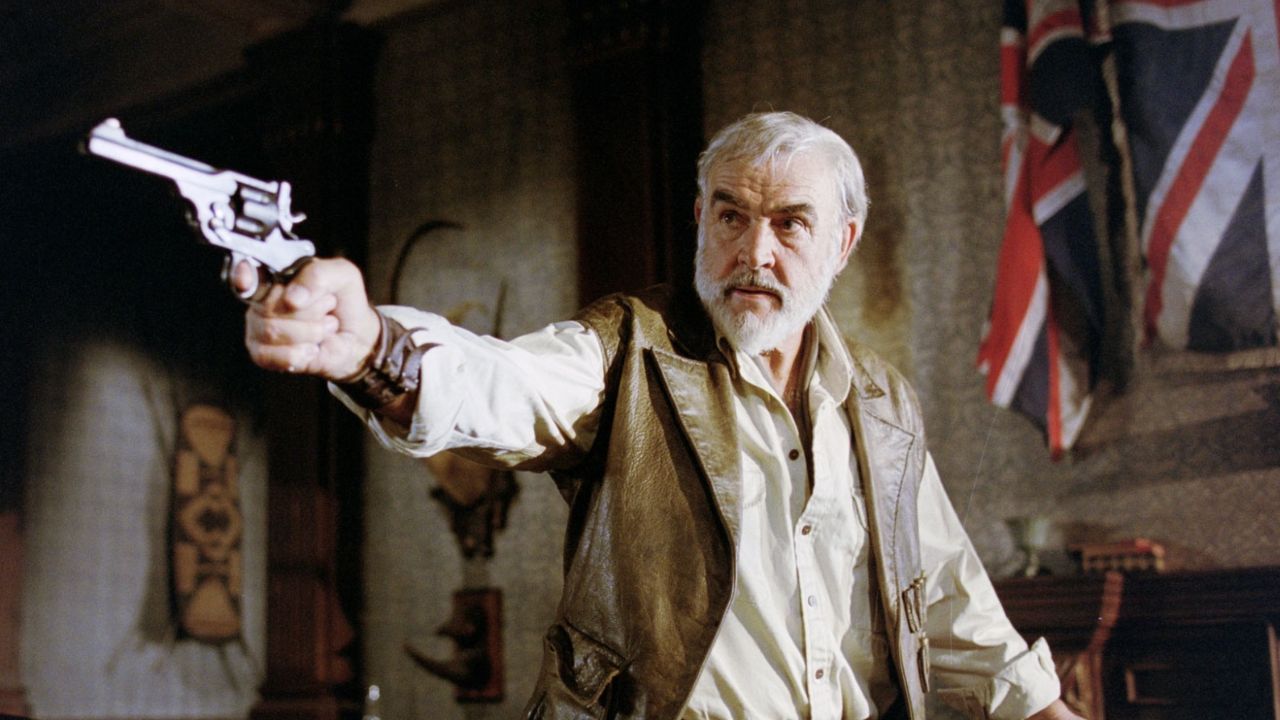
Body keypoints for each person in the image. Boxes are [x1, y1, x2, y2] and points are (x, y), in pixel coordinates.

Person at [240, 112, 1083, 720]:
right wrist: (372, 348)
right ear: (700, 219)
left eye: (791, 224)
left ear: (843, 242)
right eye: (732, 215)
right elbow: (508, 384)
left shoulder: (882, 401)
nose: (755, 252)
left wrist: (1045, 710)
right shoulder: (630, 349)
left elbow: (943, 591)